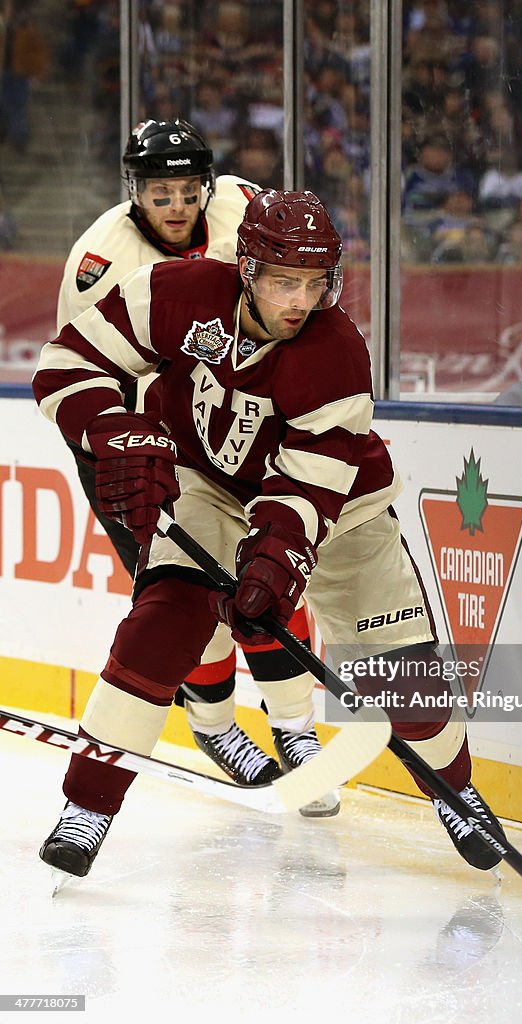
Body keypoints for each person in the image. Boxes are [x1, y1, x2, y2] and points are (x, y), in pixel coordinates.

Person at [32, 188, 506, 878]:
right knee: (161, 625)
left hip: (343, 514)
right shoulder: (172, 291)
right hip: (210, 486)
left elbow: (307, 487)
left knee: (401, 672)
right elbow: (65, 364)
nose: (299, 302)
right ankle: (89, 806)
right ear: (245, 267)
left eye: (316, 284)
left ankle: (456, 791)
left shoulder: (336, 352)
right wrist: (112, 427)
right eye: (285, 281)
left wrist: (272, 565)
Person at [57, 119, 337, 815]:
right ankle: (215, 727)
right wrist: (125, 465)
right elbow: (87, 380)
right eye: (160, 193)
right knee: (190, 602)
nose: (177, 205)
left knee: (273, 577)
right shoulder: (98, 260)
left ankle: (295, 731)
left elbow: (306, 285)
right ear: (134, 193)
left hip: (244, 427)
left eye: (187, 190)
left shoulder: (245, 204)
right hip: (155, 450)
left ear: (207, 185)